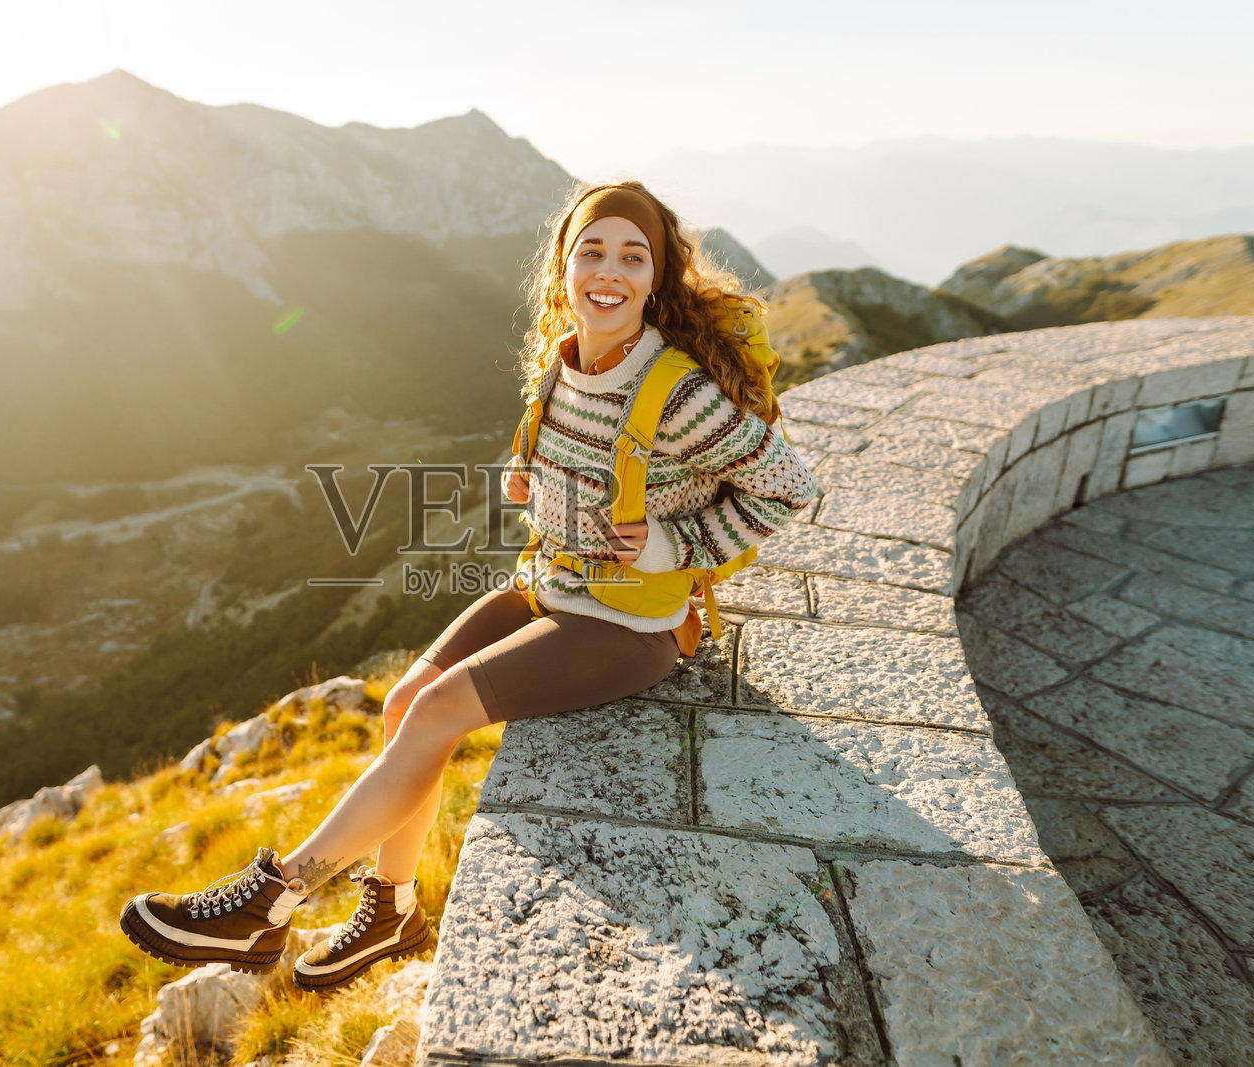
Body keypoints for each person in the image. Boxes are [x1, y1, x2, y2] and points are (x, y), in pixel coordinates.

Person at [118, 180, 821, 991]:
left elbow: (789, 486)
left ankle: (270, 899)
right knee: (402, 703)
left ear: (656, 278)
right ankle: (392, 909)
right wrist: (532, 480)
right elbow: (590, 464)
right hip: (549, 587)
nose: (609, 272)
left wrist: (678, 544)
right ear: (563, 267)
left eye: (634, 257)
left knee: (440, 709)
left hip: (629, 625)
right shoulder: (563, 361)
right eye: (591, 251)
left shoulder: (680, 396)